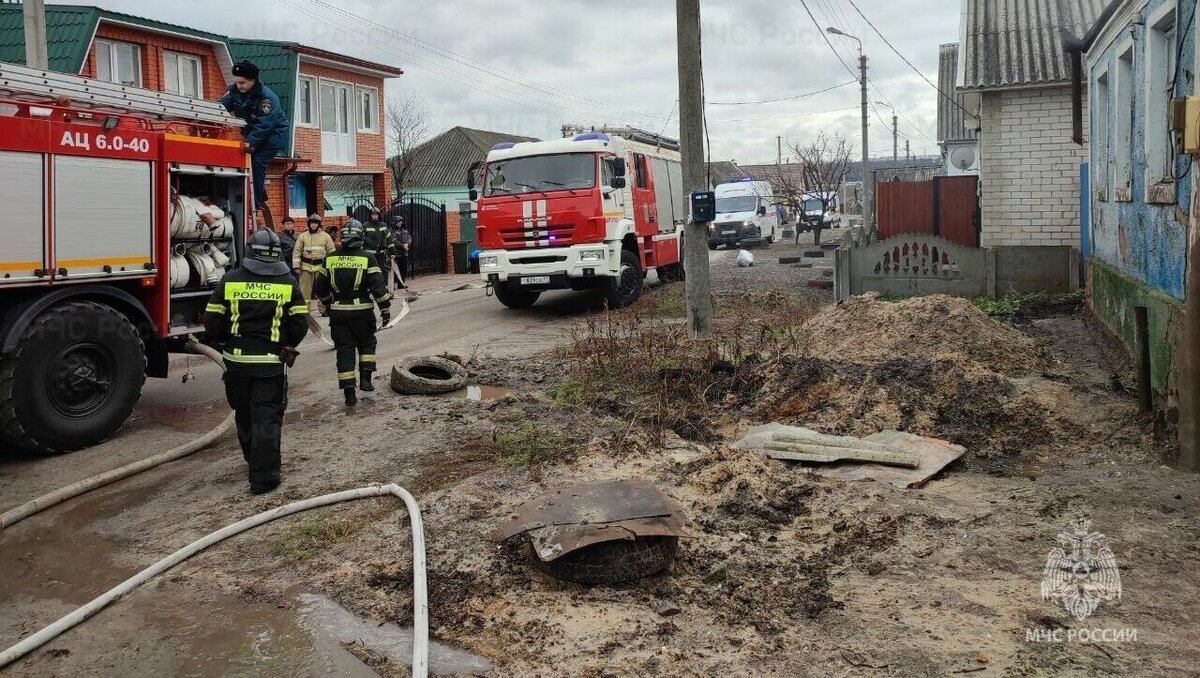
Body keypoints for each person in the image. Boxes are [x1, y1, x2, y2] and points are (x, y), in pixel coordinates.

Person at [204, 229, 308, 494]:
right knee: (267, 418)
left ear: (251, 250)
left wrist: (225, 343)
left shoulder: (230, 280)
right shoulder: (287, 282)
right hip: (269, 365)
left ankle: (252, 459)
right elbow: (299, 324)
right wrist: (287, 344)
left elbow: (213, 322)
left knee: (245, 414)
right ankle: (264, 477)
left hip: (236, 364)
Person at [313, 220, 393, 406]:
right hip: (363, 313)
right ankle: (366, 380)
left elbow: (320, 288)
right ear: (361, 236)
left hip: (339, 314)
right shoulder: (367, 257)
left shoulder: (330, 258)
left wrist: (328, 304)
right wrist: (385, 309)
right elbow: (377, 287)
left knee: (344, 351)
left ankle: (349, 393)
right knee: (367, 344)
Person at [218, 60, 290, 210]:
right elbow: (220, 106)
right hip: (254, 132)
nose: (239, 86)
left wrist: (250, 142)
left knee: (257, 161)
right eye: (237, 82)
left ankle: (255, 203)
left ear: (253, 80)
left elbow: (265, 124)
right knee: (242, 159)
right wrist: (220, 116)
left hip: (274, 134)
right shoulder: (235, 92)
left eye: (242, 83)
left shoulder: (267, 98)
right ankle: (260, 193)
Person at [293, 213, 336, 312]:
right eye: (312, 223)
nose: (313, 225)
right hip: (306, 267)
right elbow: (297, 251)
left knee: (323, 289)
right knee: (304, 291)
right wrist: (296, 266)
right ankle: (304, 310)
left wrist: (331, 266)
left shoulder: (326, 236)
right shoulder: (302, 236)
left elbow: (331, 252)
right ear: (309, 224)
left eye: (315, 223)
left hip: (321, 267)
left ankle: (324, 309)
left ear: (319, 224)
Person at [363, 207, 396, 285]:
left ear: (379, 215)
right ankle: (370, 288)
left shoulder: (383, 225)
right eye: (373, 215)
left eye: (376, 215)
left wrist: (393, 252)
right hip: (369, 254)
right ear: (370, 216)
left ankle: (381, 288)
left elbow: (389, 239)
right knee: (370, 272)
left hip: (380, 254)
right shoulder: (365, 226)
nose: (374, 216)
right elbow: (361, 240)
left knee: (381, 271)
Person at [391, 215, 413, 288]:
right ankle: (394, 284)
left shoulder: (404, 231)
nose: (400, 223)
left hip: (404, 253)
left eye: (401, 221)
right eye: (399, 221)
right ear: (395, 222)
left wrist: (407, 243)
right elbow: (394, 241)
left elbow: (409, 237)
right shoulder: (391, 231)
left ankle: (401, 284)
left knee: (403, 269)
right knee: (395, 270)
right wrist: (403, 246)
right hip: (396, 253)